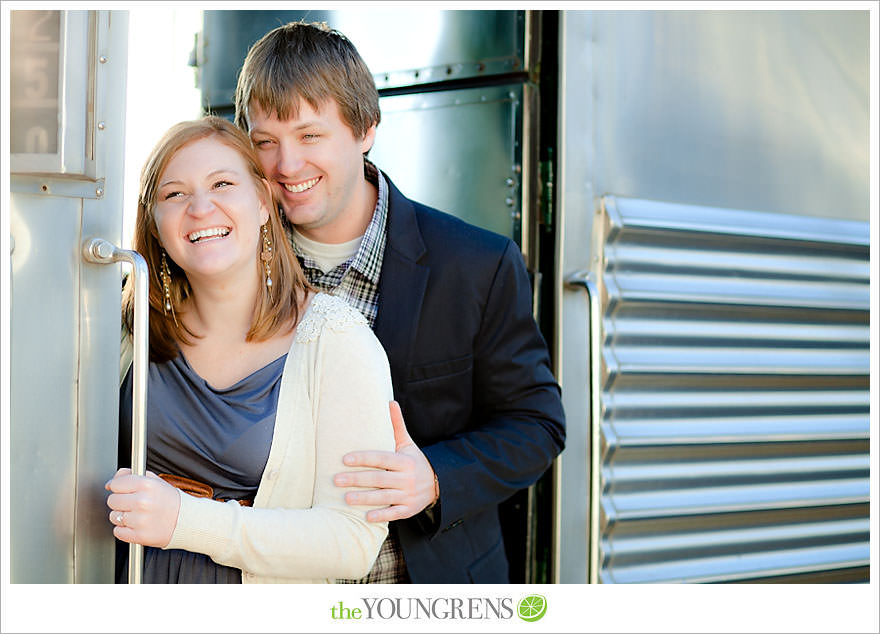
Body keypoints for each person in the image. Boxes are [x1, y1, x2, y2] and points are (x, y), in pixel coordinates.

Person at [233, 21, 566, 583]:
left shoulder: (477, 265)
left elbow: (536, 424)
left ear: (365, 129)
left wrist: (434, 476)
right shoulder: (230, 260)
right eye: (265, 142)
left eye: (310, 136)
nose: (286, 166)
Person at [107, 116, 396, 583]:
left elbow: (352, 542)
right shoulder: (126, 328)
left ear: (263, 201)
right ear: (154, 223)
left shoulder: (337, 340)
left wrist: (184, 521)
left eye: (222, 183)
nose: (201, 207)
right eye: (174, 193)